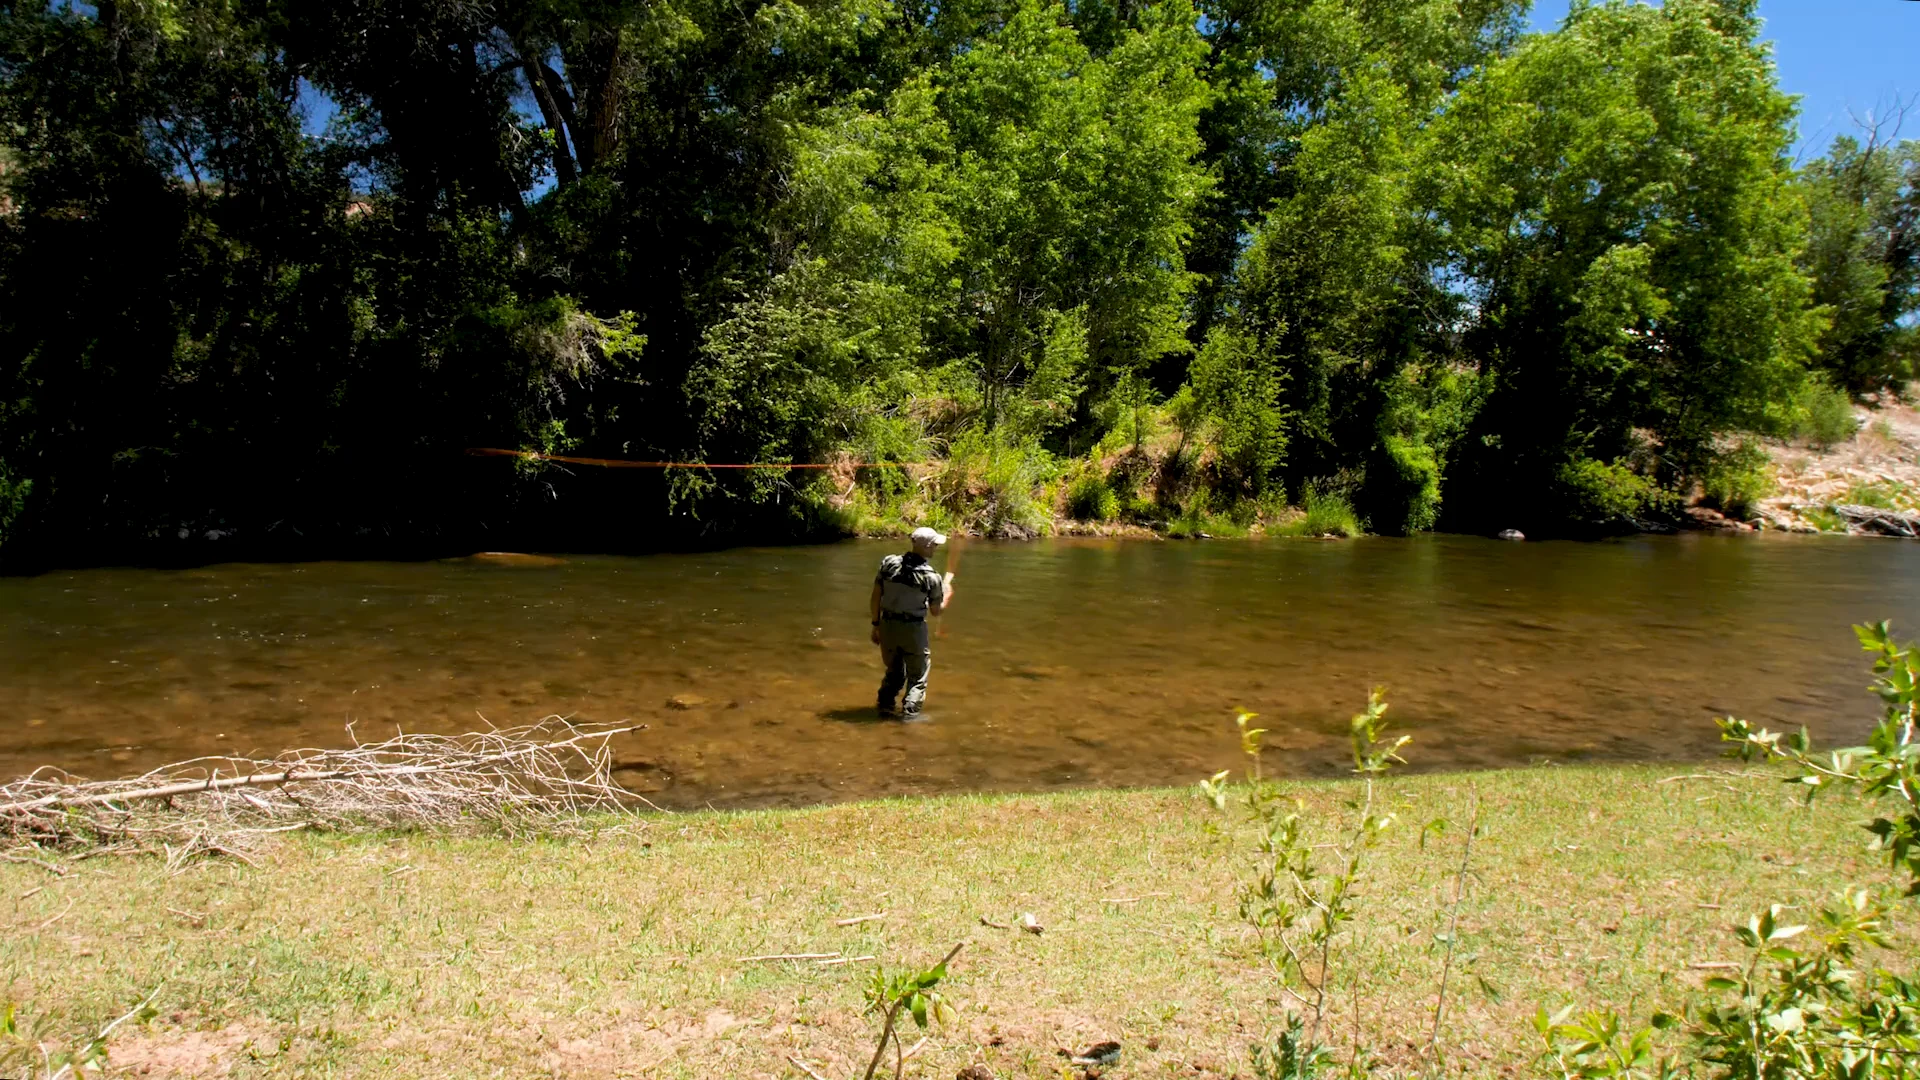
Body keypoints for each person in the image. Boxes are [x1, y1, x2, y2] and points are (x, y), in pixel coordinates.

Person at [870, 526, 955, 718]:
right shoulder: (931, 577)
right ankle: (909, 718)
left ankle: (884, 708)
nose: (935, 548)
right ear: (926, 547)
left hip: (887, 625)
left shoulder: (888, 564)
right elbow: (936, 611)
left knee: (894, 671)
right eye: (934, 545)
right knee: (917, 677)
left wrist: (876, 625)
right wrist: (947, 595)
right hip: (913, 629)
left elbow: (875, 597)